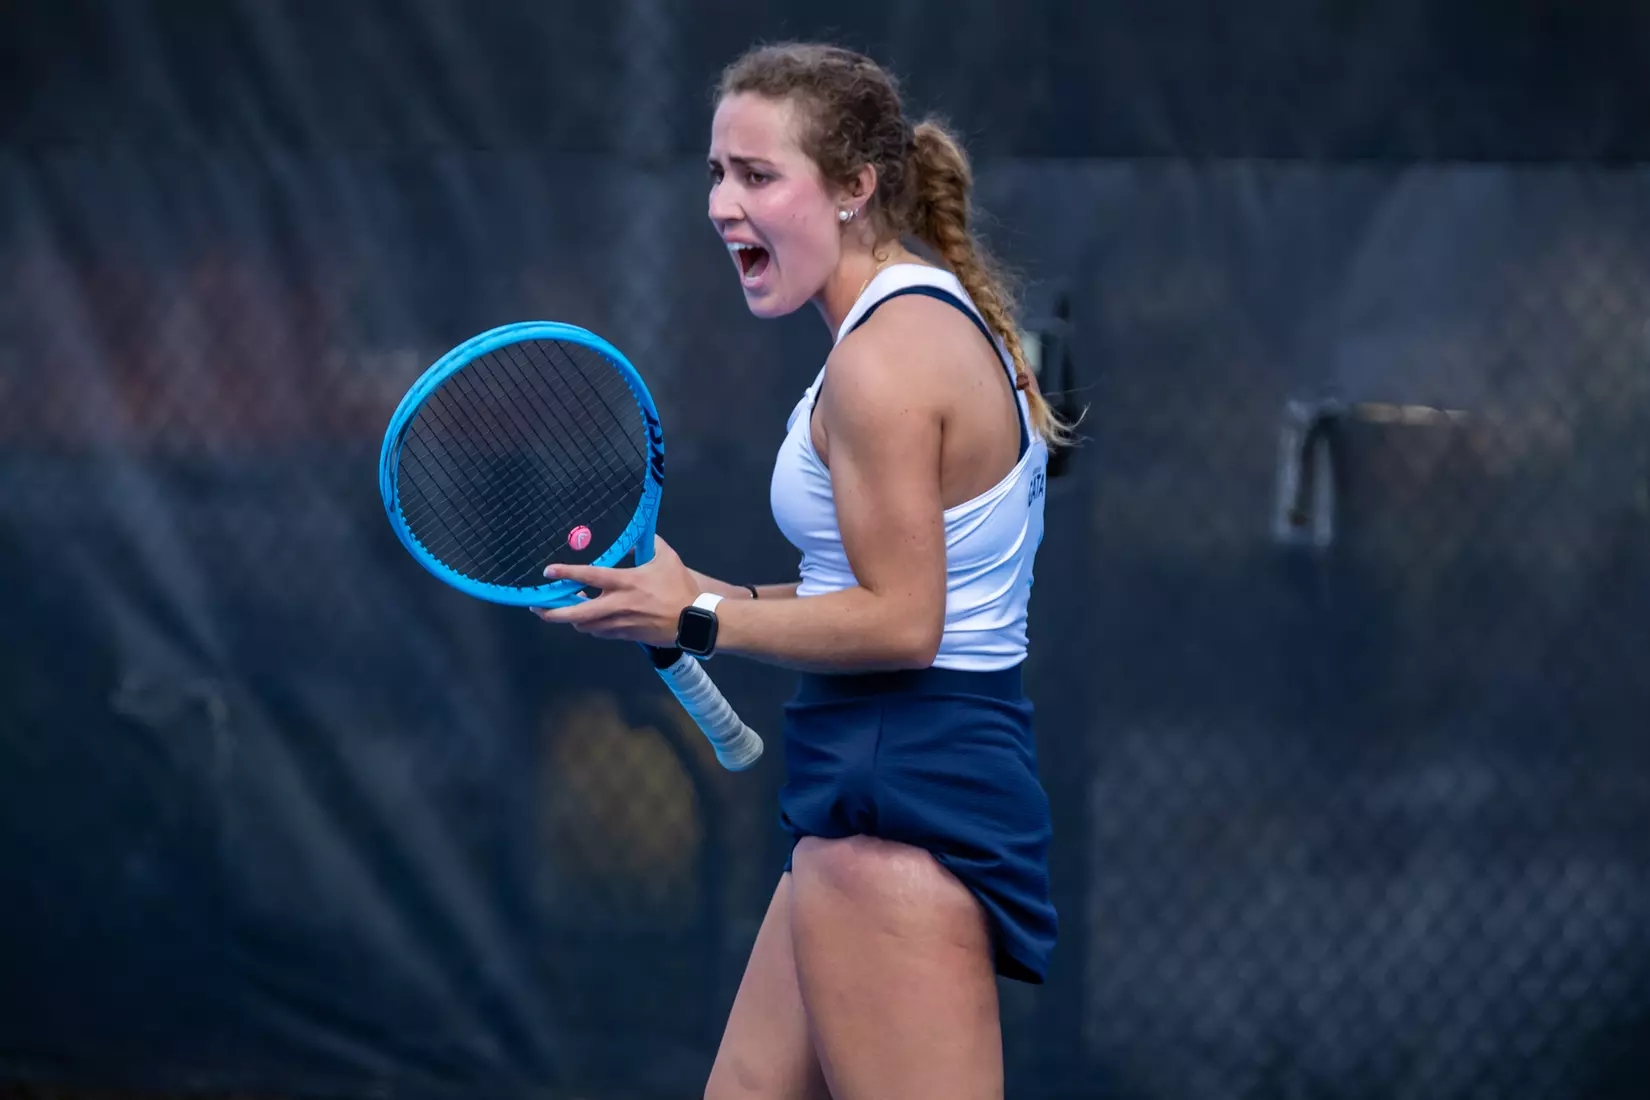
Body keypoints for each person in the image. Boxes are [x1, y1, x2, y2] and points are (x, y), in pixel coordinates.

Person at [534, 41, 1074, 1100]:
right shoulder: (904, 324)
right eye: (715, 173)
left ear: (854, 187)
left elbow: (904, 622)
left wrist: (699, 618)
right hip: (881, 772)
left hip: (905, 782)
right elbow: (875, 588)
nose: (722, 205)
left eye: (758, 174)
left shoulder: (883, 361)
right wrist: (699, 596)